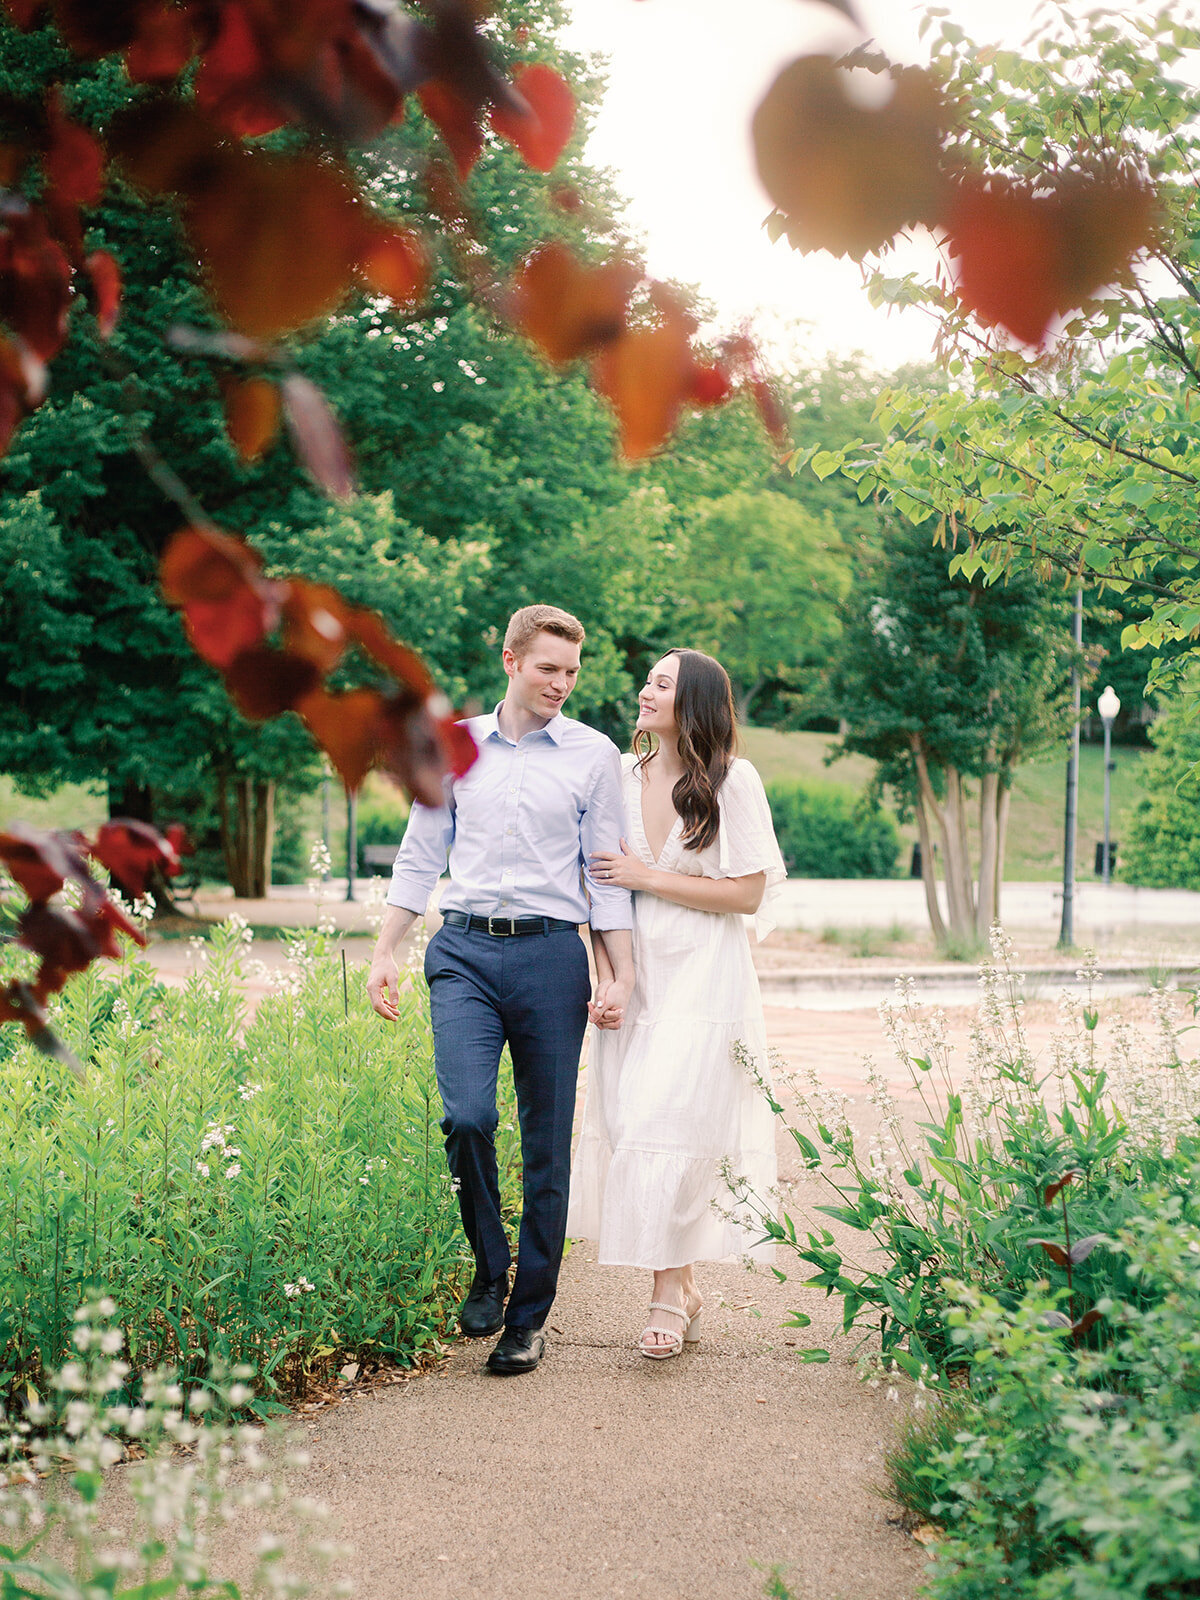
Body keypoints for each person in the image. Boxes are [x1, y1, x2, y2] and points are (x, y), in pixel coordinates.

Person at [367, 605, 634, 1377]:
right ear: (511, 661)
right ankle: (490, 1262)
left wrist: (618, 971)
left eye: (573, 672)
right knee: (467, 1115)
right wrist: (387, 950)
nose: (562, 684)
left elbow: (604, 875)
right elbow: (420, 856)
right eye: (549, 668)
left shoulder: (592, 755)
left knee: (547, 1146)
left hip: (552, 958)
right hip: (464, 954)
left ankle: (529, 1319)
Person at [566, 648, 785, 1358]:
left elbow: (747, 893)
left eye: (661, 683)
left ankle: (664, 1295)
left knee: (673, 1117)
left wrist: (647, 878)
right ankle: (684, 1287)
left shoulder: (731, 780)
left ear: (692, 700)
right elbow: (599, 887)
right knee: (638, 1122)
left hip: (703, 973)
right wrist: (605, 972)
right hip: (637, 968)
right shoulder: (621, 779)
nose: (644, 689)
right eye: (648, 680)